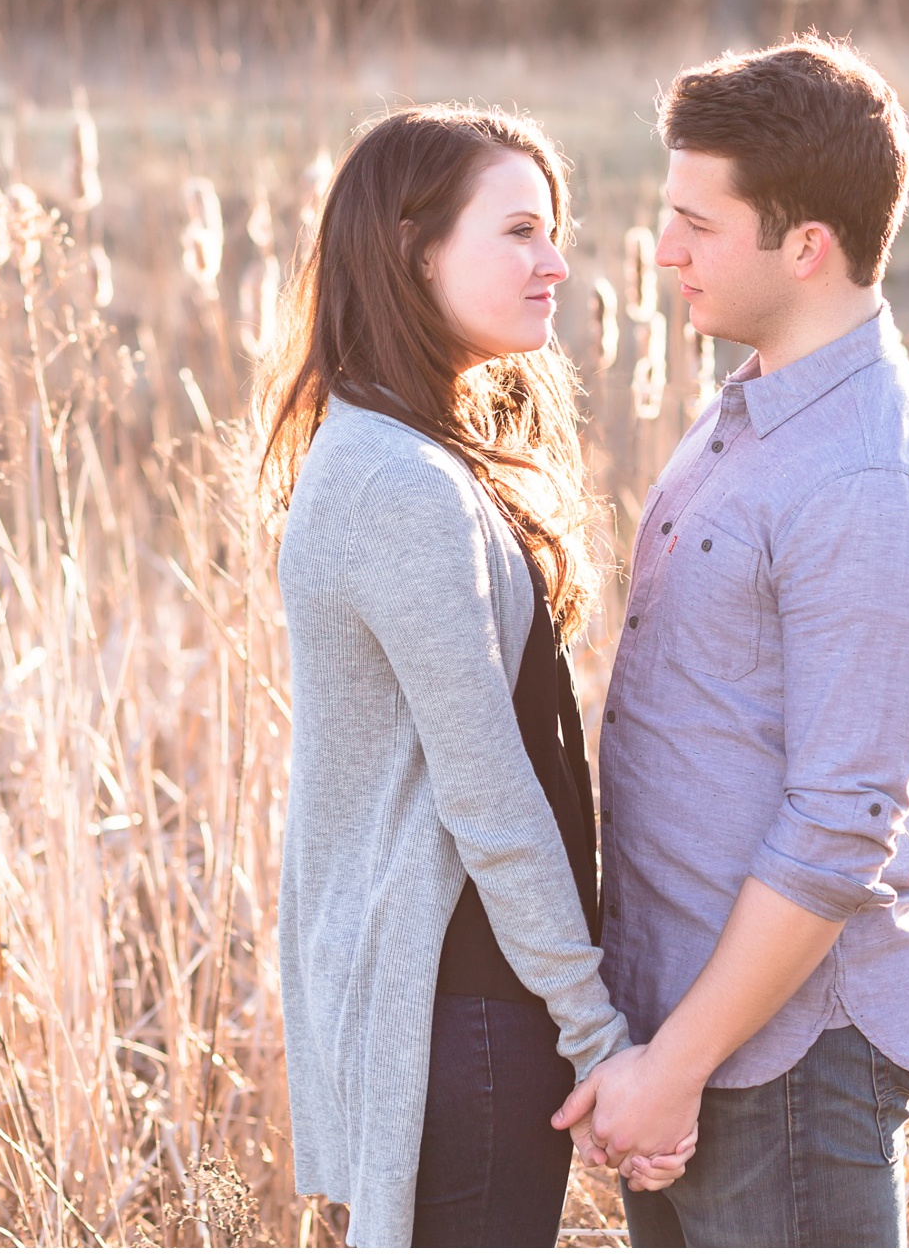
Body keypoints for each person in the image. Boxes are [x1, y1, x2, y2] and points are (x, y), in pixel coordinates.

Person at [552, 38, 909, 1247]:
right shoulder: (753, 407)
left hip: (785, 1061)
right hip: (693, 1039)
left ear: (806, 248)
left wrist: (676, 1064)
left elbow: (840, 823)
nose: (664, 250)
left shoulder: (869, 484)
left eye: (697, 224)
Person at [258, 103, 692, 1249]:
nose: (556, 264)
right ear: (414, 250)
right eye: (519, 231)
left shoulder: (406, 458)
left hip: (473, 1011)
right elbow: (490, 794)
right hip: (464, 1017)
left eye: (555, 232)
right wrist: (595, 1036)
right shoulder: (398, 484)